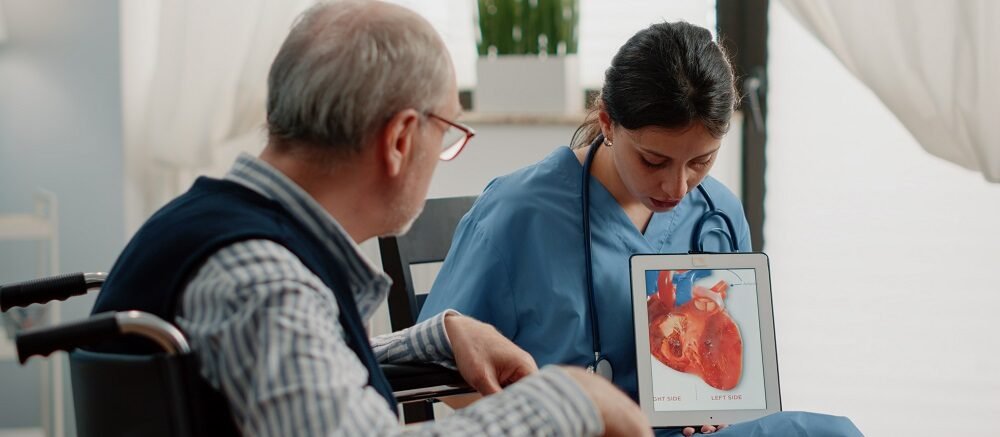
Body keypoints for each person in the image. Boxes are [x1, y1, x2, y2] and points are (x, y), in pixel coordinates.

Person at [89, 1, 651, 436]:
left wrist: (436, 337)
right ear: (401, 138)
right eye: (448, 133)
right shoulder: (262, 281)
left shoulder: (211, 229)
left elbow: (296, 371)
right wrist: (571, 398)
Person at [418, 20, 861, 437]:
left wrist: (714, 413)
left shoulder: (719, 213)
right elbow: (446, 374)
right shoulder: (517, 214)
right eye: (654, 160)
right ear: (608, 121)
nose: (677, 186)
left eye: (701, 162)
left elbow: (733, 381)